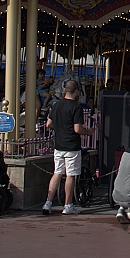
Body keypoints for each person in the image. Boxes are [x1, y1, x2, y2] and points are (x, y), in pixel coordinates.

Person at [42, 79, 97, 215]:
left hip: (59, 144)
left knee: (57, 173)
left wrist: (60, 128)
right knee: (70, 175)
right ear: (76, 91)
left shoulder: (56, 105)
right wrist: (88, 132)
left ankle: (48, 203)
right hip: (71, 145)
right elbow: (77, 129)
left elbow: (48, 124)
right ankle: (68, 205)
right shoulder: (76, 107)